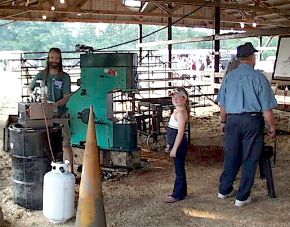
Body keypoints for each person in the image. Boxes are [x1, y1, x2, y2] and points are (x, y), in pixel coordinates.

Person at [216, 42, 277, 207]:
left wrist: (223, 122)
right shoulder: (259, 77)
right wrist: (272, 127)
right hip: (252, 121)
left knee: (231, 155)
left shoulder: (229, 77)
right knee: (250, 158)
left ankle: (224, 190)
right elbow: (267, 109)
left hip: (232, 120)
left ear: (239, 58)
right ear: (252, 57)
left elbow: (222, 105)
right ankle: (242, 197)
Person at [29, 47, 74, 174]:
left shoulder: (64, 77)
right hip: (44, 117)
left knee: (65, 143)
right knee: (45, 145)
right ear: (48, 59)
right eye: (52, 57)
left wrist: (55, 105)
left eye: (57, 58)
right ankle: (46, 171)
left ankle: (71, 171)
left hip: (60, 115)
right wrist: (33, 95)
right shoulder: (41, 75)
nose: (54, 60)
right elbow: (30, 89)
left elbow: (66, 97)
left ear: (60, 60)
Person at [164, 87, 190, 203]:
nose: (175, 99)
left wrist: (174, 148)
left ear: (185, 99)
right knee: (179, 168)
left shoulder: (181, 113)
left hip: (179, 145)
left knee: (179, 169)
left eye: (178, 97)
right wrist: (169, 145)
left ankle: (177, 194)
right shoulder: (177, 111)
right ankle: (182, 192)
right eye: (173, 96)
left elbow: (180, 133)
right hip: (175, 143)